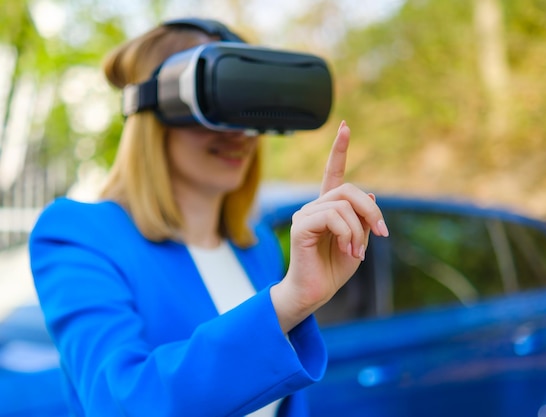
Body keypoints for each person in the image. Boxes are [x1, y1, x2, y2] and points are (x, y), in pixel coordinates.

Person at [29, 17, 389, 417]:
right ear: (155, 113)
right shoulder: (79, 235)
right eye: (217, 107)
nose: (240, 134)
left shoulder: (256, 244)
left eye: (249, 111)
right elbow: (122, 402)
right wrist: (288, 302)